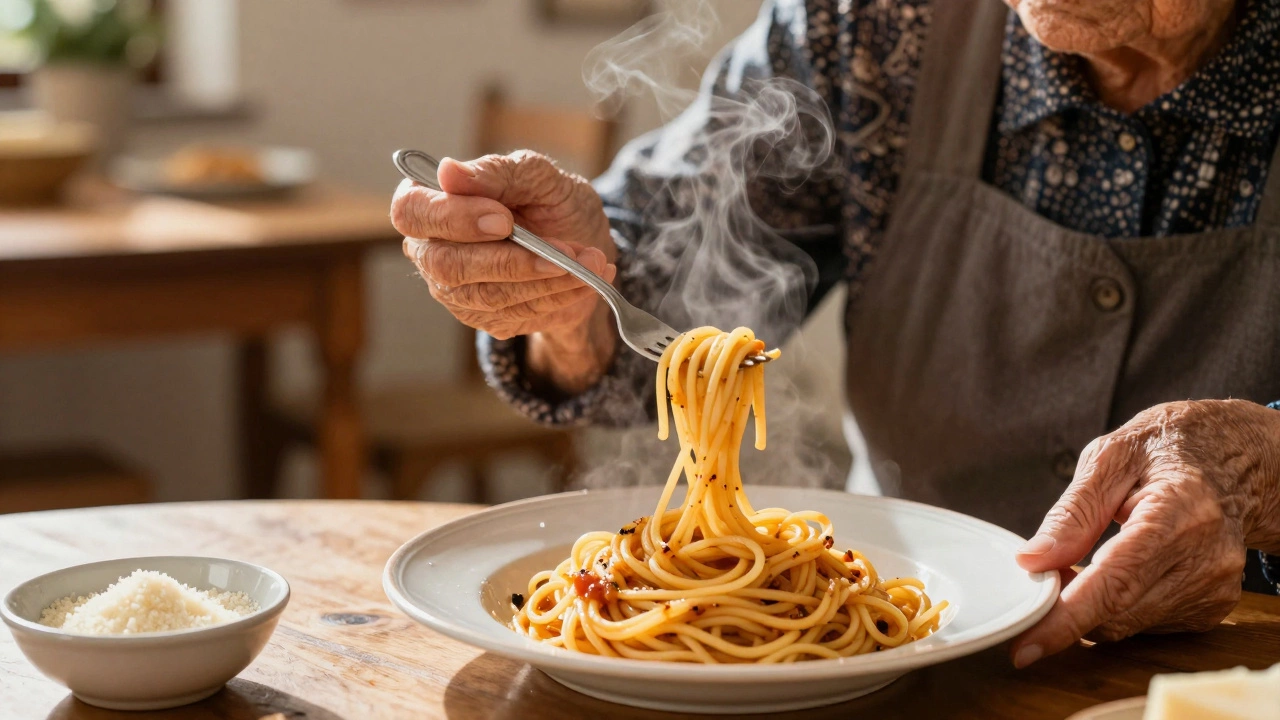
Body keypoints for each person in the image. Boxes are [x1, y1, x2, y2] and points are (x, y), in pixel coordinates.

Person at [390, 0, 1280, 668]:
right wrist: (567, 296)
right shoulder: (870, 24)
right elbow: (644, 300)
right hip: (895, 656)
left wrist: (1262, 468)